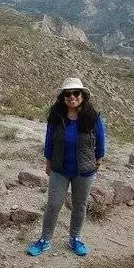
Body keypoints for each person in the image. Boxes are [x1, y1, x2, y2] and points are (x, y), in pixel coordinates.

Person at [27, 77, 106, 257]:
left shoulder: (93, 118)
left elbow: (100, 142)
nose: (72, 97)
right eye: (68, 94)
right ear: (63, 98)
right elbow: (49, 141)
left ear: (83, 96)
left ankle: (75, 239)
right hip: (59, 168)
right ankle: (45, 239)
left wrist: (99, 161)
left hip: (85, 171)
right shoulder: (56, 117)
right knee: (54, 204)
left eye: (76, 93)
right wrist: (48, 161)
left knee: (80, 205)